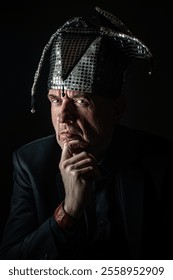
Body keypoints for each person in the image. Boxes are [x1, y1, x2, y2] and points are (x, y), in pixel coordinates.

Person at [0, 6, 173, 260]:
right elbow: (11, 268)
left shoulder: (162, 163)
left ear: (117, 110)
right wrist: (68, 211)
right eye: (55, 100)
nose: (63, 116)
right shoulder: (29, 165)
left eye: (81, 101)